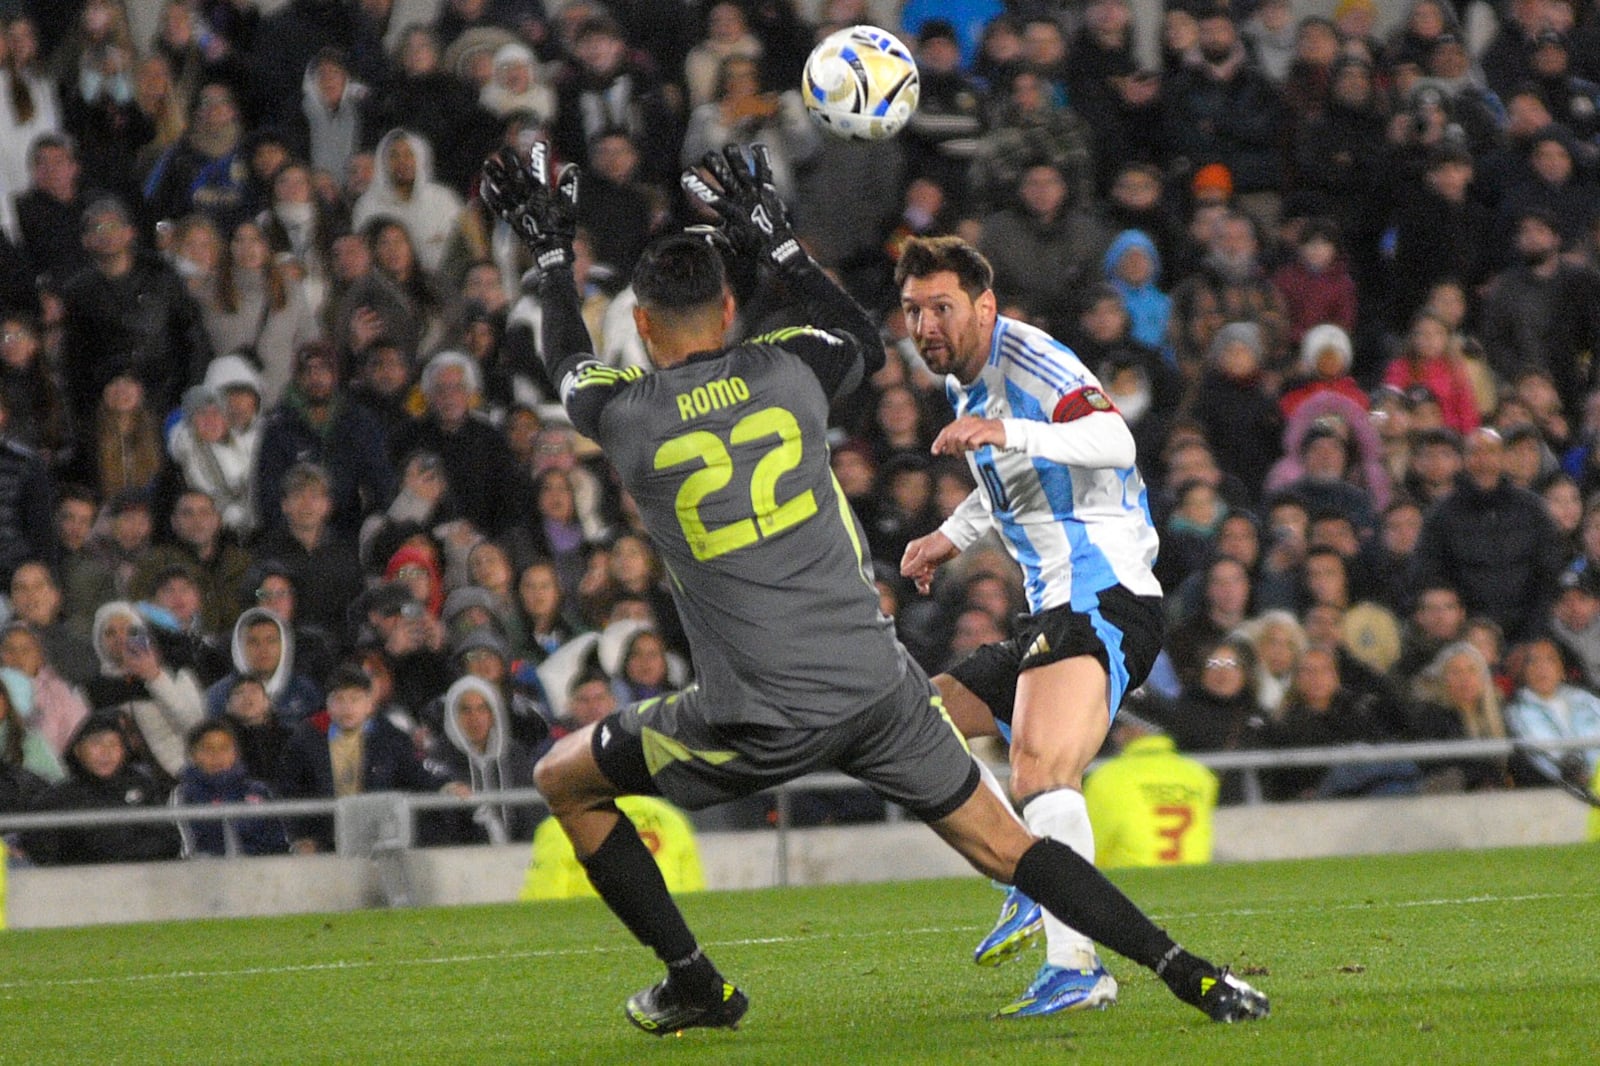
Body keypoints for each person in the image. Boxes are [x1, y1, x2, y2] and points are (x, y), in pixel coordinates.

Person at [480, 141, 1266, 1035]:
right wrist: (779, 246)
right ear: (730, 310)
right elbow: (858, 336)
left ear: (642, 329)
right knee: (1014, 844)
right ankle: (1191, 974)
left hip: (757, 713)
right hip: (880, 691)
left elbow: (566, 360)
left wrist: (552, 259)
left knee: (565, 779)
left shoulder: (625, 414)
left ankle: (695, 980)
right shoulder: (788, 370)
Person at [896, 230, 1180, 1015]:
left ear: (984, 307)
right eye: (913, 310)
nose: (925, 325)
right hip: (1050, 606)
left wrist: (1009, 430)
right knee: (911, 722)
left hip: (1102, 594)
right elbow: (1010, 480)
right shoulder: (965, 383)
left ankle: (1076, 962)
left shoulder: (1030, 357)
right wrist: (949, 537)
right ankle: (1034, 872)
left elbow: (1113, 438)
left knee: (1041, 774)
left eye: (941, 308)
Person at [21, 710, 183, 866]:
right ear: (77, 750)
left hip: (146, 877)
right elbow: (42, 853)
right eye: (96, 743)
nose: (106, 752)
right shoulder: (56, 799)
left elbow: (169, 839)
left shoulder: (143, 784)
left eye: (114, 744)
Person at [1081, 709, 1218, 868]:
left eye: (1119, 726)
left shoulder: (1107, 777)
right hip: (1193, 879)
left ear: (1137, 728)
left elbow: (1088, 847)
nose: (1115, 734)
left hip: (1130, 879)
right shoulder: (1200, 775)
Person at [171, 719, 289, 857]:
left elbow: (277, 838)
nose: (217, 756)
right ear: (193, 755)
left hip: (261, 866)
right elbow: (192, 844)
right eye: (208, 749)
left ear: (235, 753)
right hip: (208, 867)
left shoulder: (258, 790)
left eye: (224, 748)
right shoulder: (185, 794)